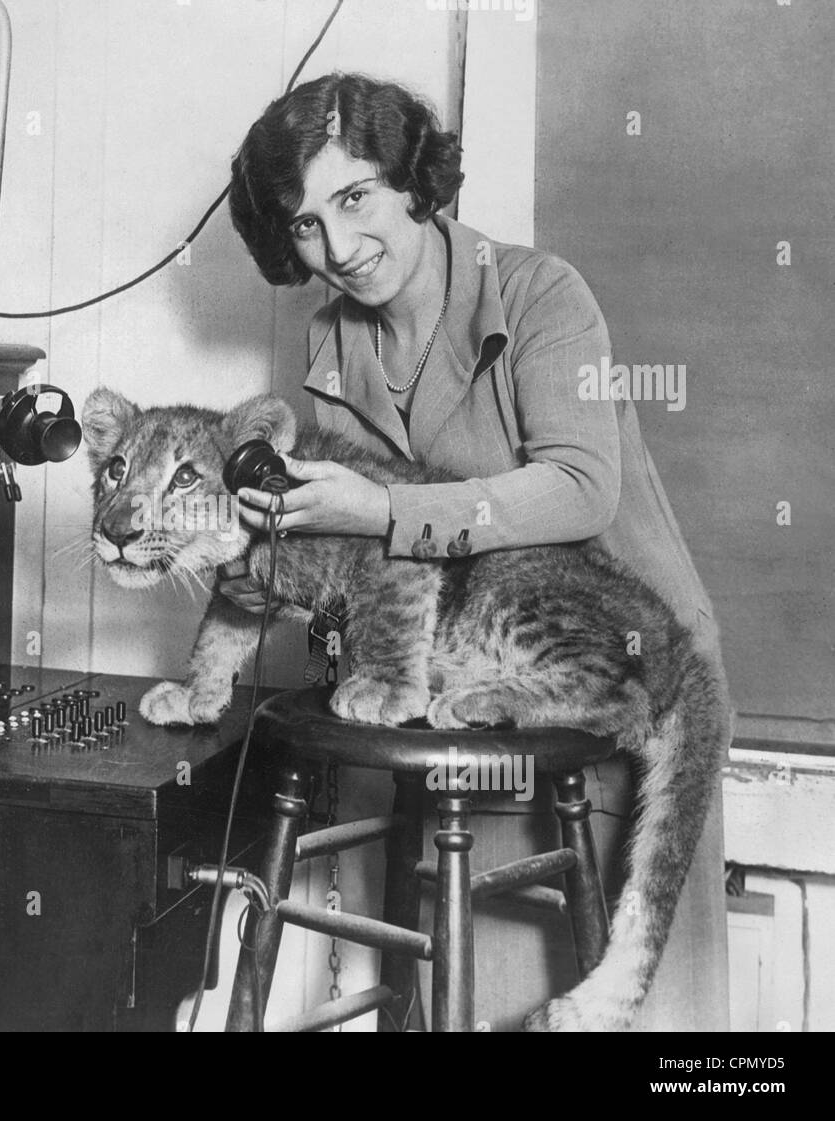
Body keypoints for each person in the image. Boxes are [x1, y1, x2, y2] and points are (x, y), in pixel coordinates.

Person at [221, 71, 728, 1029]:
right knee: (476, 1001)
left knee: (641, 1026)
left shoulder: (541, 293)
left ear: (413, 177)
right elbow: (365, 570)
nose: (339, 247)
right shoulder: (332, 343)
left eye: (356, 197)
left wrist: (380, 510)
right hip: (463, 703)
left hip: (617, 677)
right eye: (305, 224)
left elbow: (579, 487)